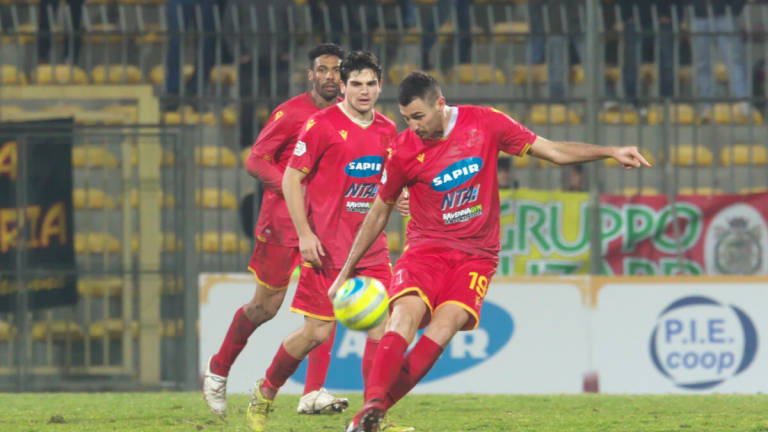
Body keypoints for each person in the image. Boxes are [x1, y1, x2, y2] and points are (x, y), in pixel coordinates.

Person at [329, 71, 651, 432]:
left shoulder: (485, 123)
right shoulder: (404, 150)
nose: (414, 127)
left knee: (446, 323)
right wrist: (345, 271)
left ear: (440, 103)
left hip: (476, 256)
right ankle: (373, 405)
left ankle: (369, 416)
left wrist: (610, 151)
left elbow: (554, 151)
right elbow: (378, 212)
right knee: (403, 316)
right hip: (425, 251)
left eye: (419, 117)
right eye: (407, 119)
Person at [245, 51, 411, 432]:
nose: (364, 91)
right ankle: (265, 391)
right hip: (325, 248)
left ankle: (371, 419)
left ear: (380, 85)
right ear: (344, 86)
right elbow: (290, 179)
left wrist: (401, 196)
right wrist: (304, 235)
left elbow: (391, 178)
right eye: (356, 84)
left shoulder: (388, 129)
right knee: (315, 334)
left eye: (371, 84)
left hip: (369, 246)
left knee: (381, 329)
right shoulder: (321, 126)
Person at [203, 43, 349, 418]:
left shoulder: (350, 117)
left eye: (337, 70)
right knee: (265, 307)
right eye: (323, 69)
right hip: (282, 224)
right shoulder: (290, 113)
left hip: (326, 227)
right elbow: (255, 159)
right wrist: (294, 186)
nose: (331, 76)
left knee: (326, 308)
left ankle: (312, 392)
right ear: (311, 75)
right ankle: (218, 370)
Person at [691, 0, 750, 120]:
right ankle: (707, 103)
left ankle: (742, 100)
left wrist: (734, 9)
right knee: (702, 62)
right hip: (700, 14)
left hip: (724, 12)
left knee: (733, 59)